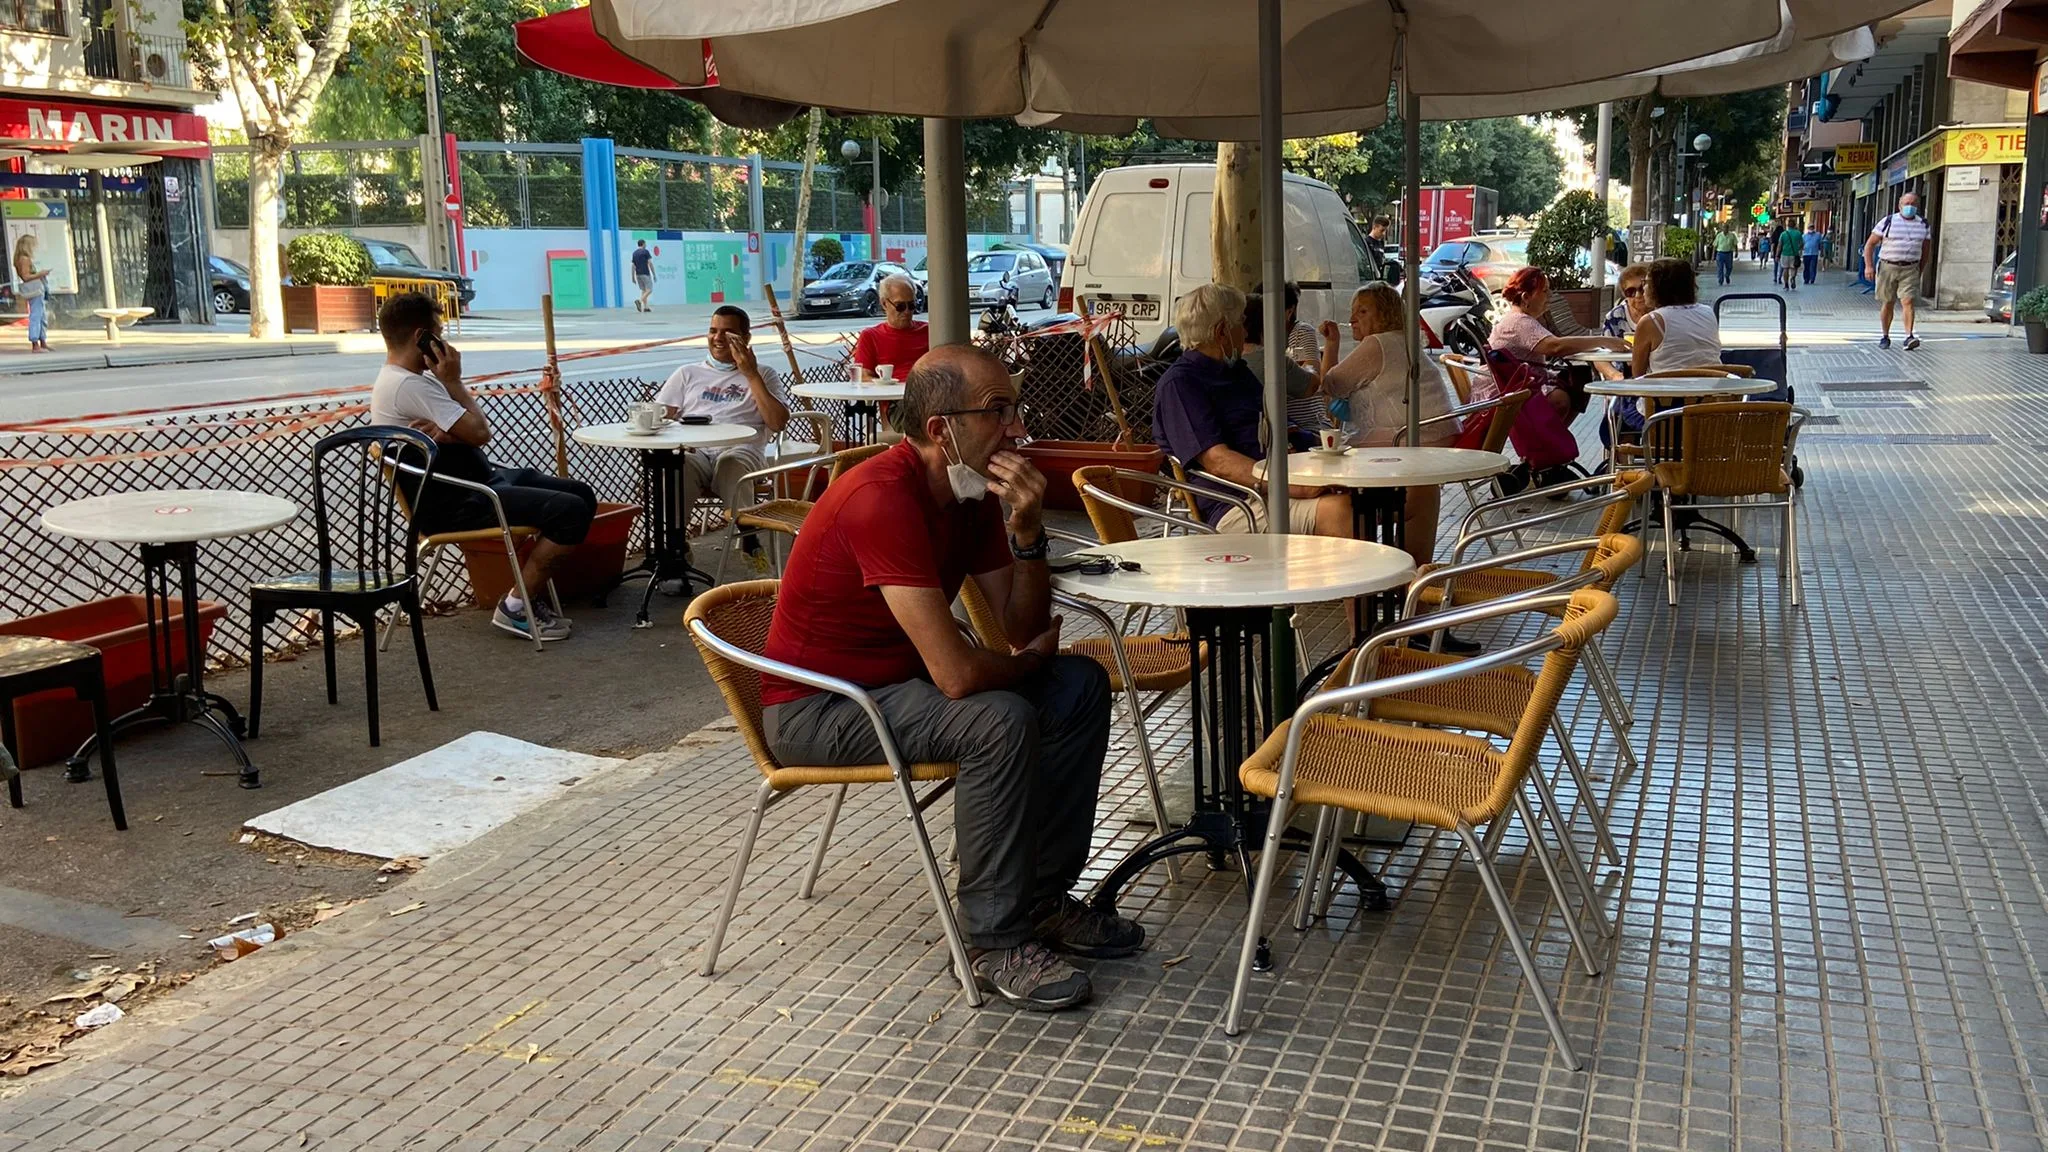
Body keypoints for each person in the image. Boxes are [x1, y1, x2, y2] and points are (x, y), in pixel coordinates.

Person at [759, 343, 1137, 1012]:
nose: (1017, 429)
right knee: (999, 719)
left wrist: (1026, 532)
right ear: (942, 429)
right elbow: (962, 676)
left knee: (1077, 686)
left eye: (1015, 410)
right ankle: (995, 941)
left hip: (900, 689)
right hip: (818, 709)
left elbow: (1021, 626)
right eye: (998, 412)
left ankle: (1043, 900)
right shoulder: (883, 498)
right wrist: (1022, 668)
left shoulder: (967, 495)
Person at [369, 292, 594, 643]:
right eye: (439, 331)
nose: (444, 340)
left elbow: (464, 431)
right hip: (459, 501)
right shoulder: (410, 386)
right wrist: (454, 382)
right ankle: (517, 606)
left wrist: (450, 431)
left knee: (580, 493)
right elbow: (480, 432)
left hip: (471, 482)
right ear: (421, 337)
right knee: (571, 512)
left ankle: (528, 595)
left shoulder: (407, 379)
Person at [1152, 282, 1352, 537]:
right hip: (1237, 503)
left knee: (1369, 495)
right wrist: (1294, 485)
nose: (1245, 331)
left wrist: (1327, 451)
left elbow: (1275, 427)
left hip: (1272, 486)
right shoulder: (1181, 384)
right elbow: (1219, 461)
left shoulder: (1236, 371)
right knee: (1340, 509)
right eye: (1241, 322)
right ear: (1222, 330)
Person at [1322, 282, 1461, 567]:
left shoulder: (1378, 343)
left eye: (1362, 311)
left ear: (1384, 314)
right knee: (1420, 496)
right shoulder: (1407, 339)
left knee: (1335, 461)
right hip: (1439, 437)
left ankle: (1357, 562)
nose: (1352, 319)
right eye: (1352, 312)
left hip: (1409, 442)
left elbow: (1331, 384)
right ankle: (1411, 576)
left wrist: (1332, 344)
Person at [653, 305, 790, 573]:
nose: (718, 338)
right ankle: (676, 547)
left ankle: (749, 540)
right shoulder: (687, 373)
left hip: (742, 450)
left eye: (728, 333)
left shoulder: (764, 373)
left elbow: (777, 422)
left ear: (745, 338)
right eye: (713, 330)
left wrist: (750, 373)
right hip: (697, 451)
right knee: (678, 467)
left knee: (731, 463)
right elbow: (660, 417)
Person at [1487, 267, 1628, 419]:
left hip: (1514, 383)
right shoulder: (1520, 322)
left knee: (1579, 379)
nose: (1549, 296)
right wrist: (1604, 341)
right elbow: (1555, 346)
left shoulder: (1518, 319)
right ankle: (1549, 439)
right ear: (1526, 297)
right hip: (1508, 389)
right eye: (1544, 291)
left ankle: (1552, 438)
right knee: (1560, 399)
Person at [1630, 258, 1722, 377]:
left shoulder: (1652, 321)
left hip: (1668, 393)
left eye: (1646, 282)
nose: (1643, 288)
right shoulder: (1708, 312)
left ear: (1658, 287)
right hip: (1712, 391)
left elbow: (1638, 374)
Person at [1864, 192, 1929, 350]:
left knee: (1908, 300)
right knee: (1888, 302)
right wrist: (1869, 266)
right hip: (1888, 267)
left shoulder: (1923, 225)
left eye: (1913, 204)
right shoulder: (1888, 221)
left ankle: (1909, 336)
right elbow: (1870, 244)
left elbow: (1926, 249)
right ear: (1899, 205)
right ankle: (1885, 335)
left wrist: (1921, 268)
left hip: (1910, 267)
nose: (1910, 207)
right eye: (1907, 203)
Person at [852, 273, 928, 381]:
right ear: (884, 304)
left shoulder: (928, 331)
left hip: (926, 395)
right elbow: (863, 376)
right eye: (900, 306)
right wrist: (886, 385)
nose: (907, 311)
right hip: (891, 396)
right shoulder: (871, 336)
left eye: (911, 305)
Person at [13, 234, 49, 353]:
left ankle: (42, 341)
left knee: (42, 315)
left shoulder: (20, 258)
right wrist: (41, 274)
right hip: (34, 290)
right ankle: (36, 343)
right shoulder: (24, 259)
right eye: (32, 245)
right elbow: (26, 276)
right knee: (37, 315)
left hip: (35, 289)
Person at [630, 240, 655, 313]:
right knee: (649, 289)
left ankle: (646, 307)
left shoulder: (634, 253)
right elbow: (650, 263)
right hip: (645, 273)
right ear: (643, 244)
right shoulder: (645, 252)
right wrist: (653, 273)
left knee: (644, 290)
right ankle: (640, 301)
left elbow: (633, 266)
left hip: (638, 274)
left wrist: (633, 277)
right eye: (645, 244)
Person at [1777, 223, 1802, 291]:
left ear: (1788, 226)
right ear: (1795, 225)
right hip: (1794, 254)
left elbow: (1779, 245)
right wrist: (1797, 249)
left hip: (1785, 253)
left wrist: (1777, 255)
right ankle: (1793, 277)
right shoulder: (1798, 233)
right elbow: (1801, 244)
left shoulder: (1783, 234)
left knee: (1785, 269)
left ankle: (1786, 284)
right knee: (1794, 268)